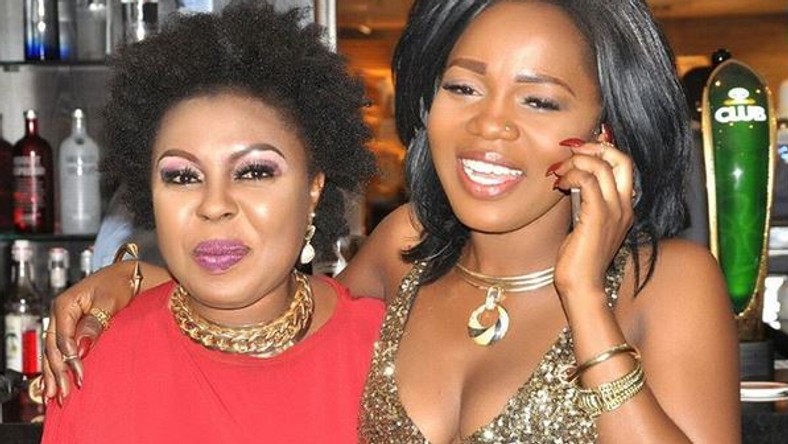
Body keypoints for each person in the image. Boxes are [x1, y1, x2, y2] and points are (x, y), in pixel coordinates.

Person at [45, 0, 740, 442]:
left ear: (603, 131)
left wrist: (584, 296)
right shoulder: (409, 246)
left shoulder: (666, 283)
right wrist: (136, 277)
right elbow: (279, 310)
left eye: (539, 101)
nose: (489, 125)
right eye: (463, 87)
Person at [41, 2, 382, 442]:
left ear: (314, 187)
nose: (214, 205)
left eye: (254, 172)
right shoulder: (95, 362)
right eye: (183, 176)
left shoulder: (384, 355)